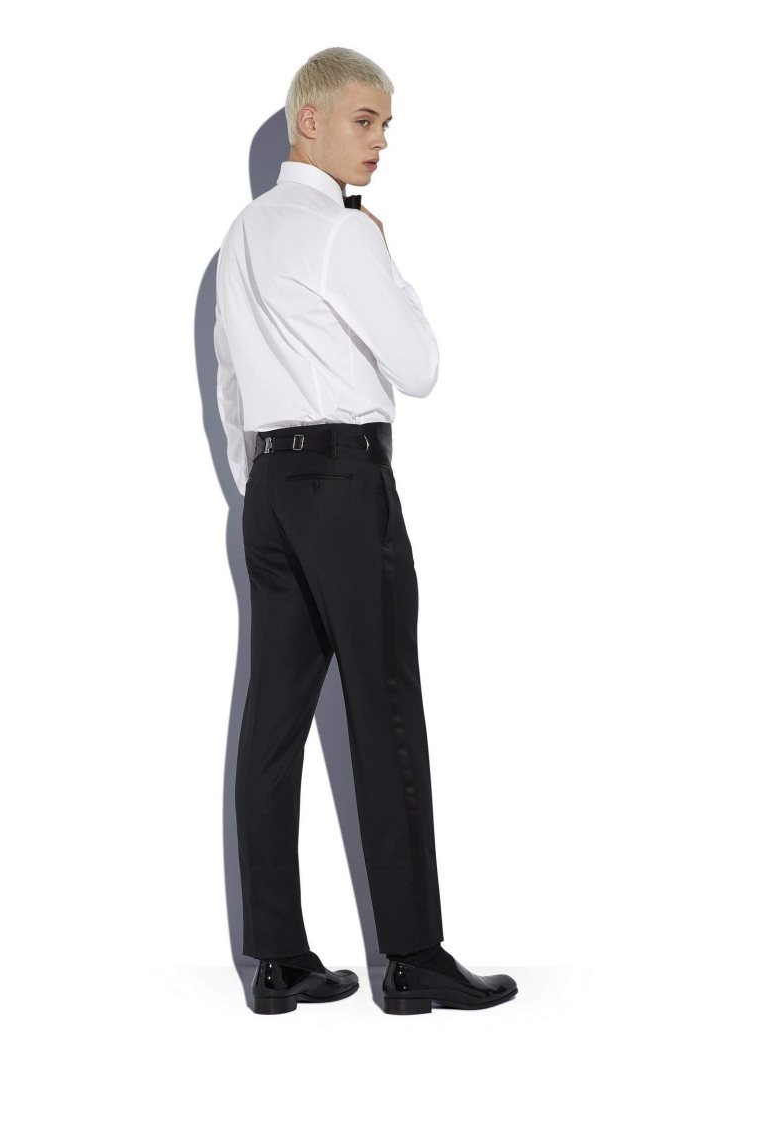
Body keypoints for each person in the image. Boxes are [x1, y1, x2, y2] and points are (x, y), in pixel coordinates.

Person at [213, 46, 517, 1016]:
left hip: (270, 489)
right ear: (308, 120)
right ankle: (412, 956)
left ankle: (275, 961)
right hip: (346, 482)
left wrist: (262, 486)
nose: (381, 141)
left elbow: (229, 381)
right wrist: (383, 252)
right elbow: (420, 367)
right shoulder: (344, 233)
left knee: (271, 724)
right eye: (365, 119)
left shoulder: (240, 237)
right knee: (383, 710)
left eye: (386, 124)